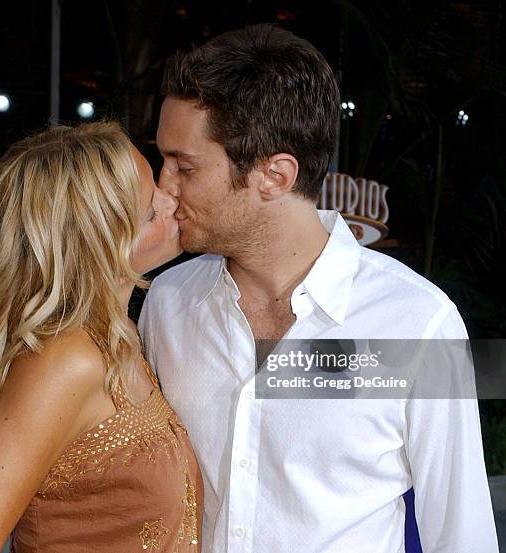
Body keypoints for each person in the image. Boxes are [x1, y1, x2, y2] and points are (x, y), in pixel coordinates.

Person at [138, 24, 498, 552]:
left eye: (183, 166)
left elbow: (461, 536)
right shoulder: (168, 304)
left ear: (276, 176)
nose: (162, 187)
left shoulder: (418, 324)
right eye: (163, 159)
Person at [0, 122, 203, 553]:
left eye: (157, 183)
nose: (173, 200)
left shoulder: (122, 338)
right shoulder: (65, 361)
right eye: (151, 211)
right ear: (98, 248)